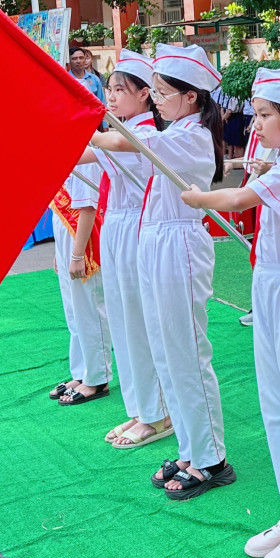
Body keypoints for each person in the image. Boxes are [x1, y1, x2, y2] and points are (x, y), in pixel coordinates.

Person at [181, 62, 280, 558]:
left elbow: (240, 197)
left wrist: (198, 196)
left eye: (266, 116)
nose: (256, 125)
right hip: (270, 283)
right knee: (276, 403)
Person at [91, 43, 233, 500]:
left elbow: (119, 140)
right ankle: (191, 447)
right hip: (155, 239)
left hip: (179, 244)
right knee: (166, 349)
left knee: (188, 352)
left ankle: (211, 458)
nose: (156, 98)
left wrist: (76, 118)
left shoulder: (188, 136)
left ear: (191, 97)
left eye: (162, 91)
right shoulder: (175, 128)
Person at [79, 50, 173, 449]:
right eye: (110, 89)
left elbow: (100, 142)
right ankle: (139, 408)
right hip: (115, 226)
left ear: (146, 95)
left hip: (138, 226)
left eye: (121, 90)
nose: (112, 96)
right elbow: (82, 154)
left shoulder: (145, 132)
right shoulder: (123, 131)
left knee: (140, 322)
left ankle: (159, 414)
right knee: (121, 320)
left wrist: (69, 112)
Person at [48, 160, 112, 406]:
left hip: (82, 240)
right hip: (68, 237)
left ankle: (98, 378)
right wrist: (61, 252)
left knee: (89, 309)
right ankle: (81, 372)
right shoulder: (72, 151)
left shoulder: (87, 156)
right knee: (74, 311)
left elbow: (87, 208)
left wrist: (76, 254)